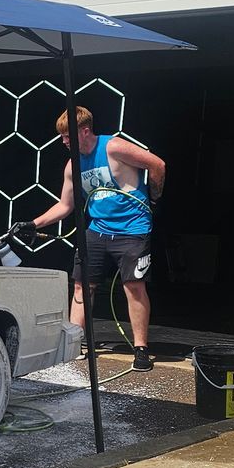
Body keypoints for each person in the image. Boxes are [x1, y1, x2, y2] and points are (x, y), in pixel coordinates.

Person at [30, 106, 165, 371]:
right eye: (62, 138)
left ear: (85, 131)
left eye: (68, 136)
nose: (64, 142)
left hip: (132, 229)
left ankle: (140, 349)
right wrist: (32, 224)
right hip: (97, 230)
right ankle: (74, 345)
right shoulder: (73, 165)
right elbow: (65, 205)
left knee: (133, 287)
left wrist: (155, 197)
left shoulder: (113, 147)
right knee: (81, 286)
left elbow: (157, 164)